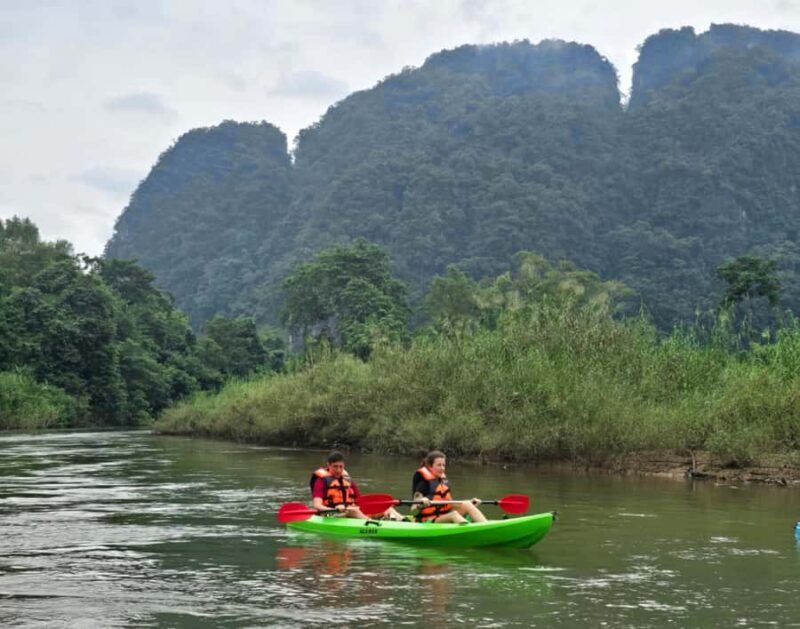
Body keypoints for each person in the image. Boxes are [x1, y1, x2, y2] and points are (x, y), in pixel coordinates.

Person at [310, 450, 404, 520]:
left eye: (341, 467)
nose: (338, 470)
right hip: (330, 514)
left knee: (387, 509)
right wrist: (335, 509)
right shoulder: (321, 481)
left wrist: (381, 506)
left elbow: (360, 501)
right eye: (335, 466)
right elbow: (317, 506)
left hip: (350, 511)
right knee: (353, 510)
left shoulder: (347, 480)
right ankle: (372, 523)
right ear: (328, 465)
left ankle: (404, 520)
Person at [411, 450, 487, 523]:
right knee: (454, 515)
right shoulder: (423, 483)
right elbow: (413, 510)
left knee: (467, 504)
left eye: (443, 465)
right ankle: (471, 528)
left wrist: (470, 502)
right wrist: (420, 504)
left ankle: (485, 524)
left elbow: (449, 503)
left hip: (442, 517)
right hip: (427, 521)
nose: (442, 468)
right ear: (430, 466)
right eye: (439, 465)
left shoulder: (443, 481)